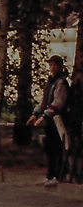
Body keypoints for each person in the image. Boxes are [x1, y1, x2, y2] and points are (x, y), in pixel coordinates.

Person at [28, 54, 71, 187]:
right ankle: (50, 174)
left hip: (58, 121)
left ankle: (57, 176)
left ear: (60, 66)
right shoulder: (50, 82)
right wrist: (35, 113)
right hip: (49, 121)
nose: (52, 67)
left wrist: (44, 116)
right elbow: (44, 101)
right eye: (50, 65)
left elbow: (58, 103)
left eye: (55, 65)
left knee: (57, 147)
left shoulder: (61, 83)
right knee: (49, 148)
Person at [60, 65, 83, 185]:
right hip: (72, 121)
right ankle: (75, 174)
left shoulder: (66, 88)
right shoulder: (70, 90)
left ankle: (75, 174)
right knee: (71, 148)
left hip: (73, 121)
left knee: (72, 148)